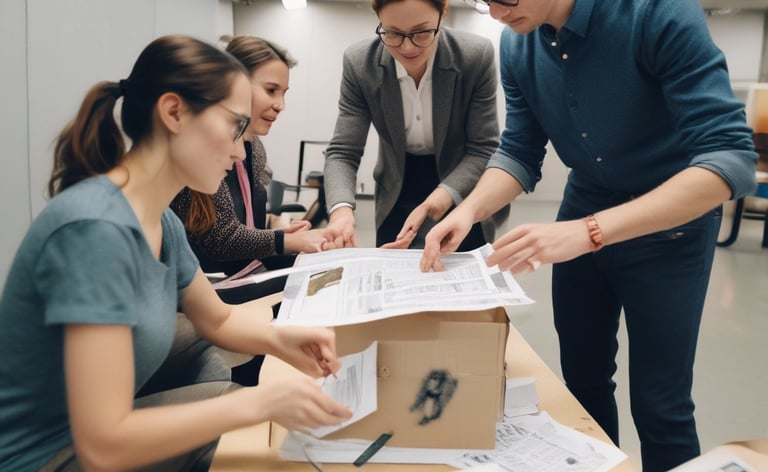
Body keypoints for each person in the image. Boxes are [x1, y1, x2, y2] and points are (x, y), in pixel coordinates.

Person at [420, 1, 757, 471]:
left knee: (661, 404)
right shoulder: (518, 43)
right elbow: (519, 148)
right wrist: (469, 209)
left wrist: (591, 231)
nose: (496, 13)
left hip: (669, 228)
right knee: (582, 382)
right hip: (584, 209)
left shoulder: (658, 15)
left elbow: (730, 159)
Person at [0, 35, 352, 471]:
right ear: (174, 112)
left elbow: (216, 319)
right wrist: (261, 403)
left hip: (80, 435)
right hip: (42, 458)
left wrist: (283, 341)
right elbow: (103, 445)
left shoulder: (160, 219)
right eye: (235, 127)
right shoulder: (95, 232)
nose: (241, 150)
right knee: (245, 433)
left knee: (225, 392)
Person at [323, 0, 509, 250]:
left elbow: (482, 148)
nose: (407, 46)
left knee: (461, 270)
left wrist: (440, 199)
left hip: (461, 180)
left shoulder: (474, 56)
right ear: (378, 19)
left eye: (422, 32)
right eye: (393, 33)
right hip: (398, 183)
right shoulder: (360, 64)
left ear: (442, 14)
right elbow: (343, 151)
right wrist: (341, 211)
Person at [171, 35, 330, 278]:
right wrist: (286, 241)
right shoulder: (201, 148)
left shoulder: (255, 147)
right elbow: (219, 239)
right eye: (271, 90)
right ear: (235, 84)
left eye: (283, 93)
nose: (281, 105)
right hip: (214, 280)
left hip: (244, 271)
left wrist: (279, 231)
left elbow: (245, 221)